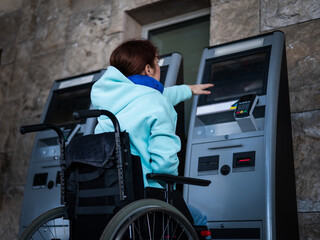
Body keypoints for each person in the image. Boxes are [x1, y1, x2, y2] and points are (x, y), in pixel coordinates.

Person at [91, 39, 213, 226]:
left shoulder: (110, 101)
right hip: (148, 196)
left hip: (112, 195)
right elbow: (164, 165)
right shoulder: (156, 102)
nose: (159, 68)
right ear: (148, 69)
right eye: (157, 63)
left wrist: (188, 90)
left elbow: (160, 95)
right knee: (199, 219)